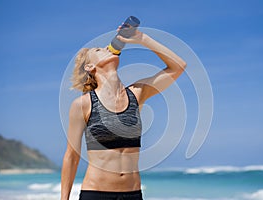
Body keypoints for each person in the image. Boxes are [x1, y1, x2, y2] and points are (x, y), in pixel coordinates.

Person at [61, 26, 187, 200]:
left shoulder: (137, 93)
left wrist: (143, 39)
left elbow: (179, 67)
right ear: (90, 67)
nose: (107, 48)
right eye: (99, 50)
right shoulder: (83, 104)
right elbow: (71, 156)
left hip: (133, 194)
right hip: (96, 194)